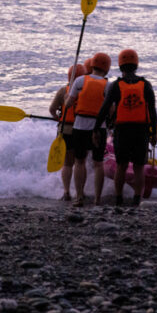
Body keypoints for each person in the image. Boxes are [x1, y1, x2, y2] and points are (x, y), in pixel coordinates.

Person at [93, 49, 157, 207]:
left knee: (121, 166)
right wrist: (153, 133)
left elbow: (104, 108)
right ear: (136, 65)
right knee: (139, 167)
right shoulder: (145, 85)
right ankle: (137, 199)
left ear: (120, 66)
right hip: (141, 130)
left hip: (122, 130)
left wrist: (96, 128)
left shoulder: (116, 86)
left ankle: (119, 198)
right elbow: (152, 111)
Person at [64, 52, 111, 207]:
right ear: (107, 68)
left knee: (79, 162)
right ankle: (97, 199)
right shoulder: (108, 85)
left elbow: (69, 104)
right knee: (98, 164)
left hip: (80, 127)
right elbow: (111, 111)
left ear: (92, 66)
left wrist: (66, 99)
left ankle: (79, 197)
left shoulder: (79, 80)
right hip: (99, 129)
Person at [49, 63, 86, 201]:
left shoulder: (63, 90)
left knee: (67, 163)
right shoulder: (87, 91)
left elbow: (52, 110)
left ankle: (66, 192)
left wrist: (58, 118)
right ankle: (80, 193)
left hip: (65, 130)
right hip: (82, 130)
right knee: (80, 163)